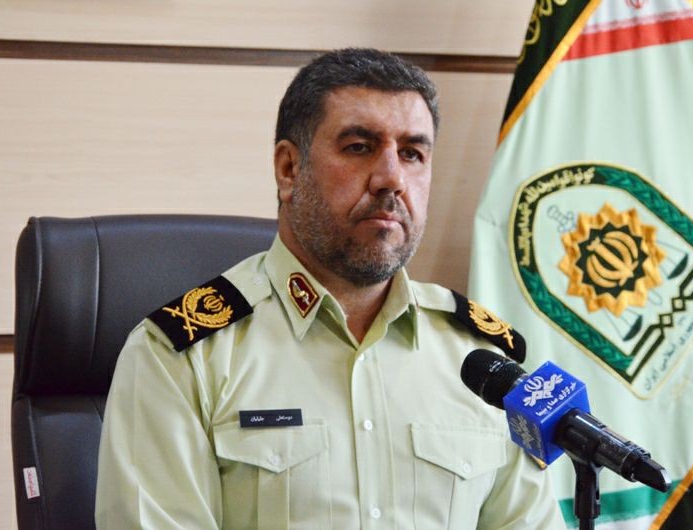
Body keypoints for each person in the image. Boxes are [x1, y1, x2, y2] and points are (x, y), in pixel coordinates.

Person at [95, 48, 567, 529]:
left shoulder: (484, 363)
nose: (392, 179)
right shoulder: (182, 358)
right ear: (288, 169)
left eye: (412, 153)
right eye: (359, 147)